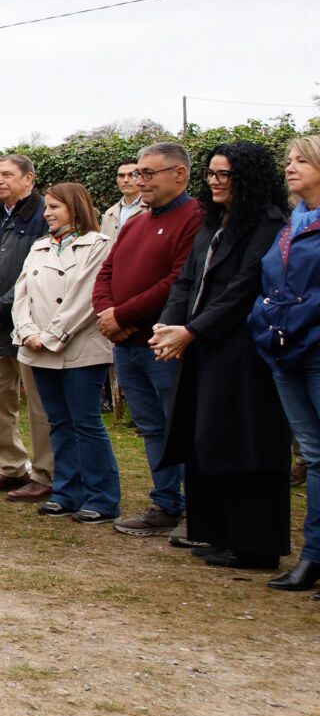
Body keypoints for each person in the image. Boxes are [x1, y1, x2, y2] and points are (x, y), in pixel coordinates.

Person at [151, 144, 290, 572]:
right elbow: (186, 280)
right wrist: (167, 324)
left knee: (244, 442)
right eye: (210, 173)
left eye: (224, 174)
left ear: (247, 178)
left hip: (242, 353)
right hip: (205, 349)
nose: (214, 181)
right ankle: (219, 531)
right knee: (207, 438)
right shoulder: (213, 223)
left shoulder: (268, 223)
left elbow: (244, 287)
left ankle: (255, 545)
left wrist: (192, 331)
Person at [95, 141, 205, 537]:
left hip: (166, 345)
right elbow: (106, 273)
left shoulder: (196, 219)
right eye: (137, 173)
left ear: (180, 173)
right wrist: (108, 314)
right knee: (152, 428)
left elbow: (179, 280)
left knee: (181, 427)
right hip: (127, 345)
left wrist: (123, 316)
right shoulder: (135, 223)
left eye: (148, 173)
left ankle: (198, 511)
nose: (139, 181)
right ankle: (166, 503)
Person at [11, 183, 119, 523]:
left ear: (75, 207)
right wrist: (27, 331)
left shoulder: (98, 245)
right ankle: (66, 491)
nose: (47, 213)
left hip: (79, 347)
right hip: (38, 347)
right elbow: (21, 294)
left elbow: (87, 297)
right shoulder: (40, 246)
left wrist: (53, 335)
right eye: (46, 207)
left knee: (85, 422)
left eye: (55, 207)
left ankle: (102, 497)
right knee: (57, 421)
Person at [251, 135, 320, 594]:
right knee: (314, 456)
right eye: (289, 160)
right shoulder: (290, 226)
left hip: (314, 346)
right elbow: (270, 284)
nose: (290, 167)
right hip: (285, 351)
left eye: (302, 161)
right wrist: (263, 323)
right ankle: (314, 555)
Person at [0, 154, 55, 500]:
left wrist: (1, 308)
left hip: (30, 324)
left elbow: (38, 273)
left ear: (29, 179)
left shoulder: (44, 215)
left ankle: (46, 474)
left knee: (39, 402)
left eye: (7, 175)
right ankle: (10, 467)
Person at [99, 160, 145, 238]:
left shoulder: (153, 209)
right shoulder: (109, 214)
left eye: (131, 175)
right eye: (121, 176)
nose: (126, 180)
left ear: (141, 177)